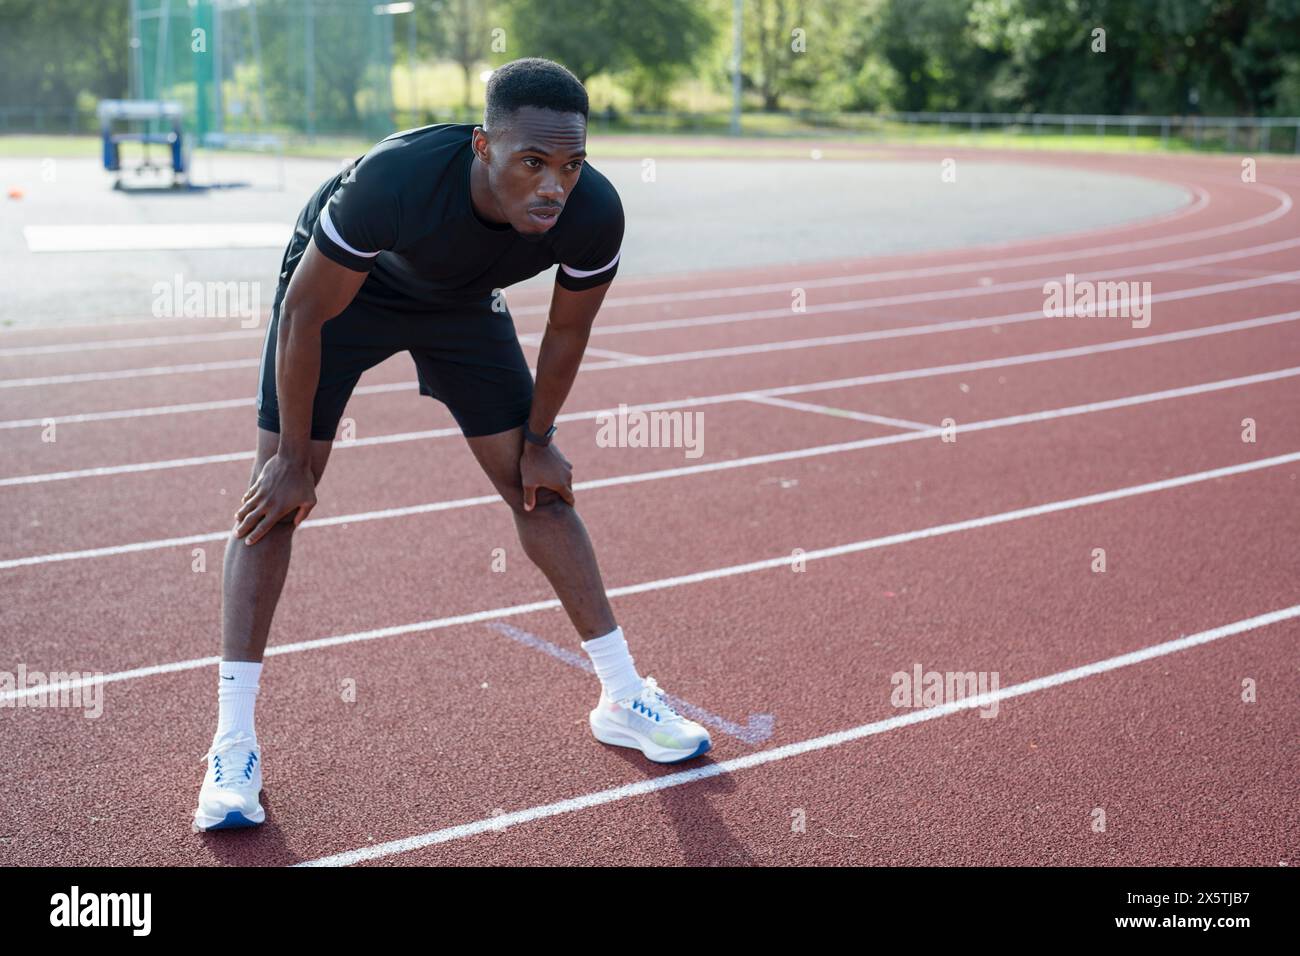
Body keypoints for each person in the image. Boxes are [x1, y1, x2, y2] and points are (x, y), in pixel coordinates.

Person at [193, 57, 711, 833]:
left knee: (538, 487)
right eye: (531, 162)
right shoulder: (394, 183)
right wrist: (294, 462)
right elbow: (304, 315)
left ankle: (622, 695)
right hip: (344, 295)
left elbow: (569, 329)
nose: (552, 186)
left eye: (570, 165)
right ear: (482, 147)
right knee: (274, 498)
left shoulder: (594, 212)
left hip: (461, 305)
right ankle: (233, 744)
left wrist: (540, 439)